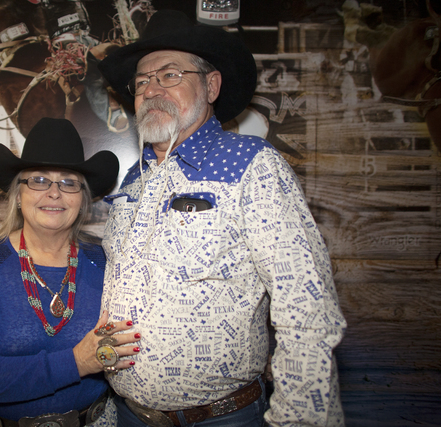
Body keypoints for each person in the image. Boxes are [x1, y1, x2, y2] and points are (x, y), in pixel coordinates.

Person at [97, 10, 347, 427]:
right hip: (128, 415)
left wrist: (299, 419)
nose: (152, 89)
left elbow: (306, 307)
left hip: (218, 419)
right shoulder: (135, 179)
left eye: (171, 74)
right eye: (142, 81)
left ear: (211, 85)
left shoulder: (252, 165)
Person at [0, 117, 140, 426]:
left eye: (69, 182)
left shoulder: (104, 261)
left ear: (83, 198)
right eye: (38, 179)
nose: (54, 192)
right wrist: (76, 363)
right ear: (18, 195)